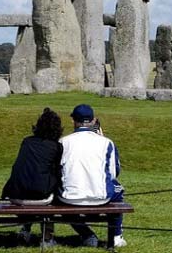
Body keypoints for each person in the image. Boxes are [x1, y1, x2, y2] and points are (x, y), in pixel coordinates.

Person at [58, 104, 126, 248]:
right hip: (101, 197)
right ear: (94, 121)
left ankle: (87, 235)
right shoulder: (106, 142)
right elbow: (114, 172)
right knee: (119, 189)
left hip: (69, 197)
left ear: (73, 121)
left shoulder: (63, 142)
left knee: (59, 199)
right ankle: (116, 235)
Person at [1, 108, 63, 248]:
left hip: (15, 196)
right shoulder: (56, 147)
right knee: (52, 193)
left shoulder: (27, 142)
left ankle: (25, 230)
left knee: (32, 185)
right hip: (41, 199)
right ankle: (47, 238)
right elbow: (57, 172)